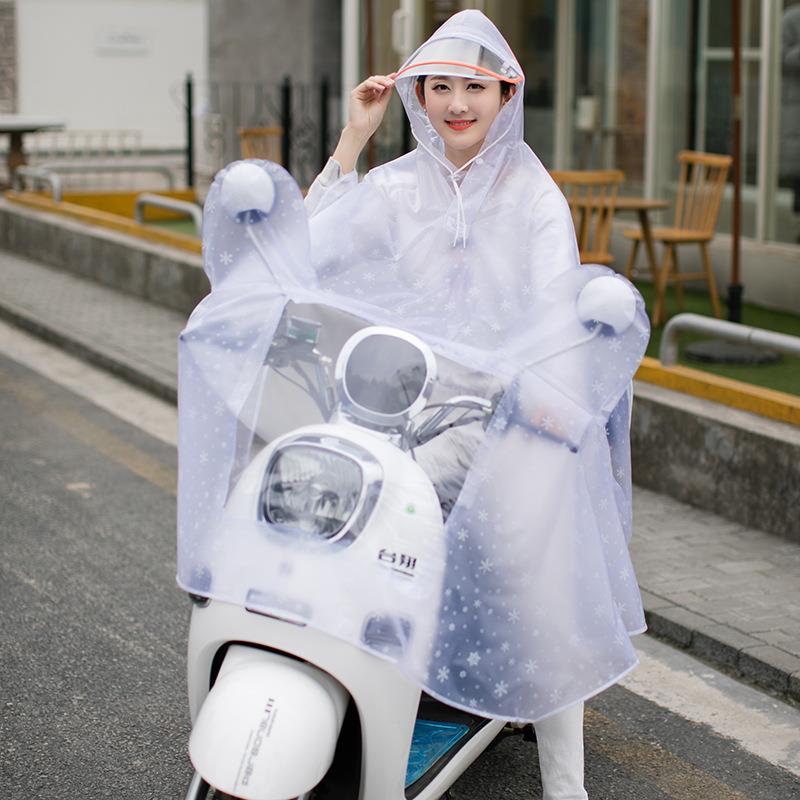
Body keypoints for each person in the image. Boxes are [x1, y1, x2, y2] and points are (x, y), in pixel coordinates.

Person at [300, 11, 647, 800]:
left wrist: (547, 402)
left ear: (506, 93)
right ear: (419, 96)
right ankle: (348, 708)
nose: (457, 103)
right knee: (343, 535)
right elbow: (306, 253)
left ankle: (567, 783)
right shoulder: (392, 188)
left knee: (544, 576)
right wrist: (354, 139)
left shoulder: (533, 196)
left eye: (475, 88)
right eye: (441, 87)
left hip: (513, 420)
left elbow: (562, 311)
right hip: (406, 415)